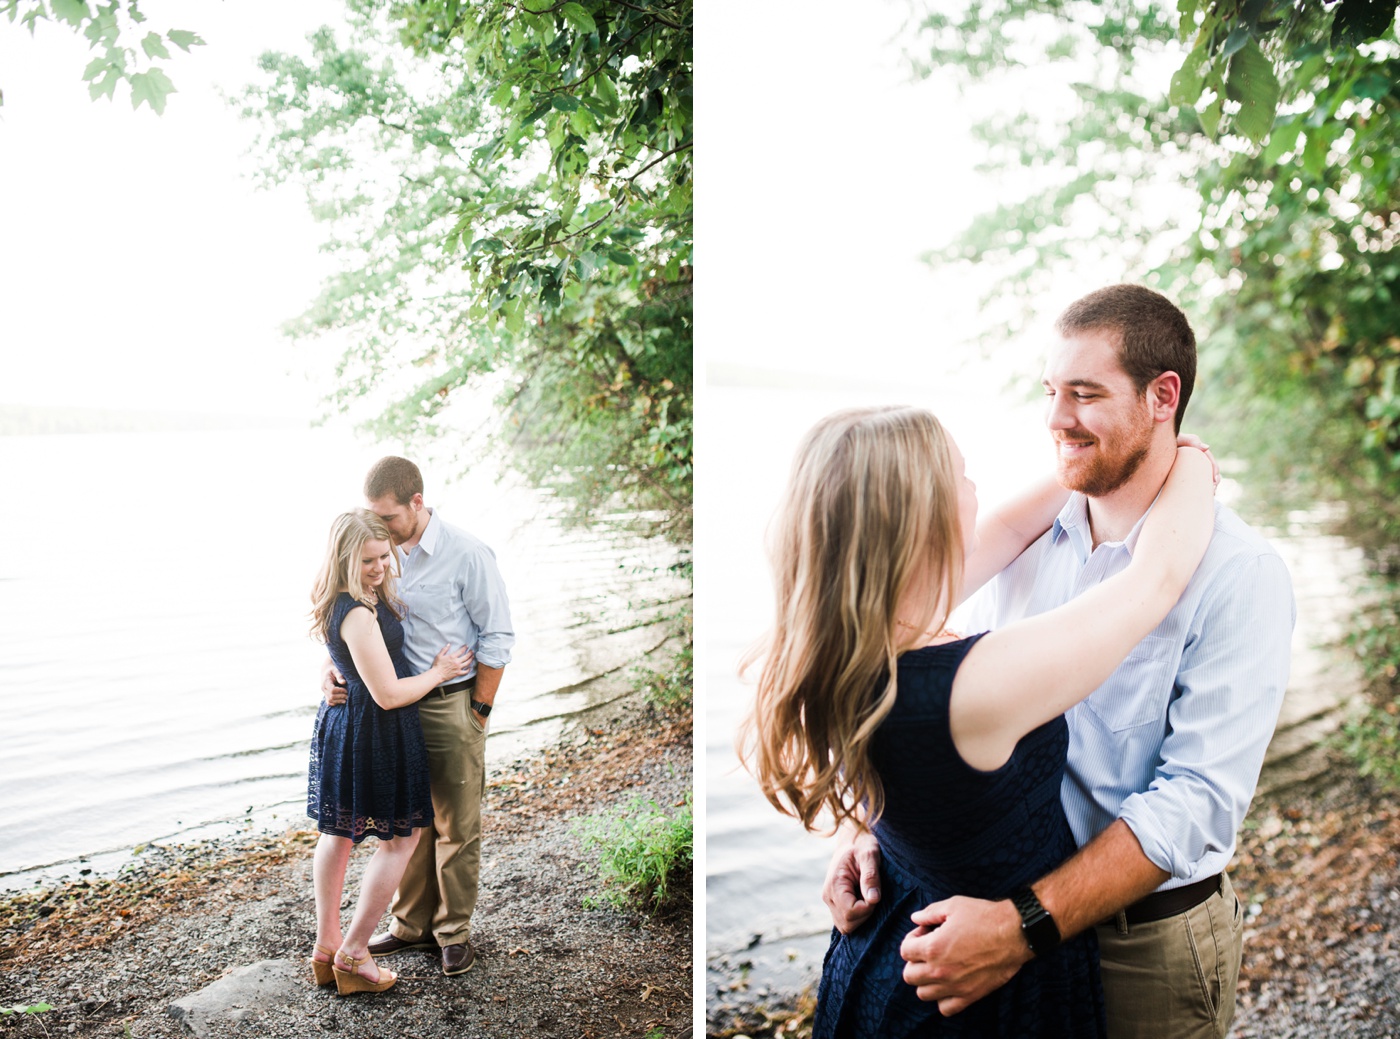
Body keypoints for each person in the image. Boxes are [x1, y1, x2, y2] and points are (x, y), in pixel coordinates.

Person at [824, 285, 1296, 1039]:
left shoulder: (1239, 573)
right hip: (984, 932)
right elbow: (927, 718)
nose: (1054, 418)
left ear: (1161, 396)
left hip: (1139, 947)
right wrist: (869, 831)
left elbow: (1198, 798)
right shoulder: (1009, 545)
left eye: (1083, 393)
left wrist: (1022, 925)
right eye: (1050, 391)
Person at [744, 403, 1218, 1037]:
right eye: (963, 477)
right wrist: (1187, 459)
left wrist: (1116, 453)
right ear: (923, 520)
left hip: (887, 950)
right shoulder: (974, 685)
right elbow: (1153, 583)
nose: (977, 492)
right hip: (977, 992)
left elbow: (1005, 522)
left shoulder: (835, 640)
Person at [323, 456, 515, 977]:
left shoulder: (468, 554)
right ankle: (409, 926)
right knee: (410, 824)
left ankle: (453, 933)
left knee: (457, 825)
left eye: (388, 517)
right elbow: (359, 625)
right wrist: (333, 670)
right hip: (394, 713)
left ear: (417, 502)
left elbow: (498, 637)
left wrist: (478, 710)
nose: (378, 528)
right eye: (372, 517)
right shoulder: (373, 557)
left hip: (453, 703)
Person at [306, 509, 471, 995]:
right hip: (375, 728)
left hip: (347, 724)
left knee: (338, 834)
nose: (379, 567)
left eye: (384, 556)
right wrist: (440, 673)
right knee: (400, 839)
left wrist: (328, 670)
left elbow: (345, 654)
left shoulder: (348, 597)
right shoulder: (357, 611)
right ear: (343, 559)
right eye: (368, 560)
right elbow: (389, 693)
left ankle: (325, 947)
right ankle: (354, 954)